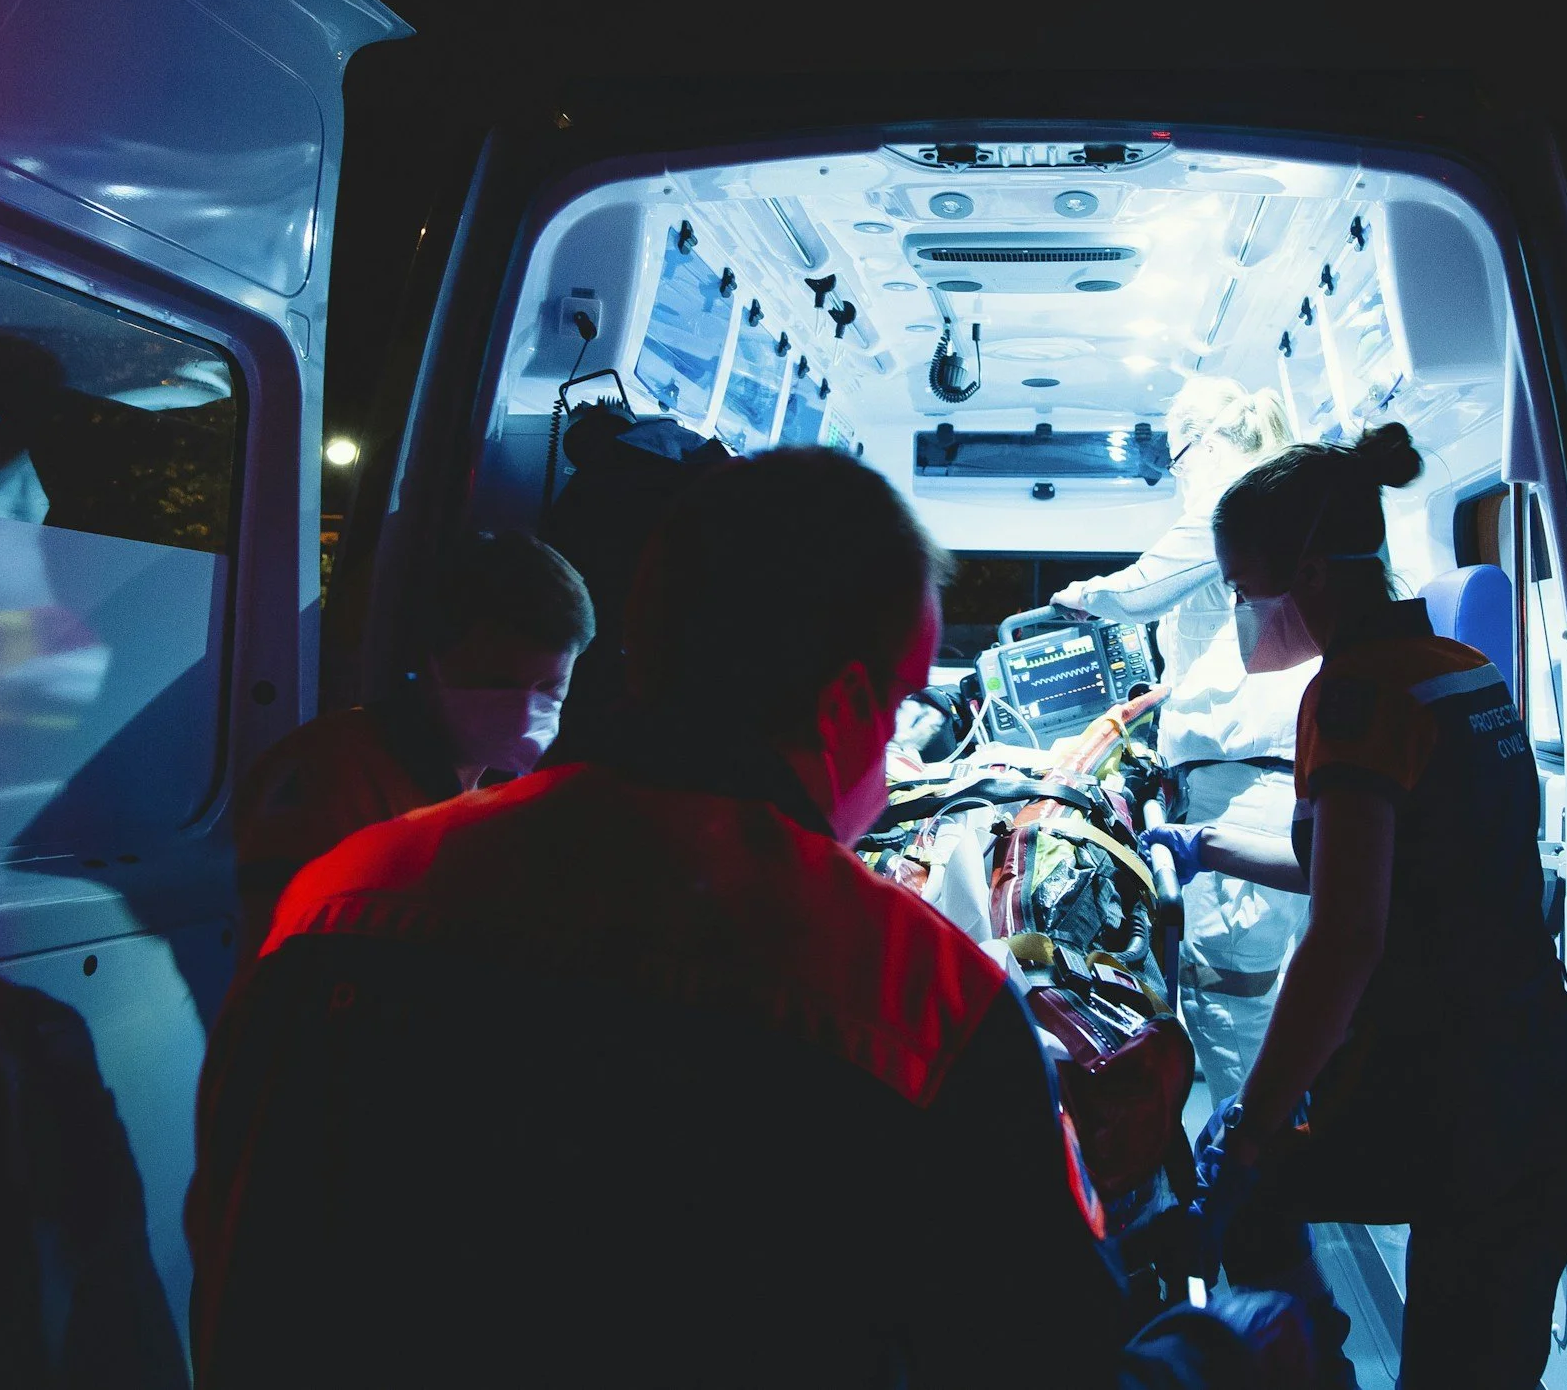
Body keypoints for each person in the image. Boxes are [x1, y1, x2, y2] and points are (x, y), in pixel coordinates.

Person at [187, 449, 1311, 1389]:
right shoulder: (921, 995)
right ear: (844, 710)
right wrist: (1213, 1347)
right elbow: (1041, 1359)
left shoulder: (340, 891)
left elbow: (235, 1262)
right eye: (907, 698)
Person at [1182, 426, 1567, 1386]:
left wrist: (1249, 1127)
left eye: (1244, 591)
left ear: (1310, 571)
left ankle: (1306, 1363)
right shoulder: (1461, 671)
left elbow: (1347, 934)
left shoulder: (1353, 697)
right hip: (1537, 1077)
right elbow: (1386, 868)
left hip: (1459, 1103)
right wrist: (1203, 848)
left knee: (1246, 1179)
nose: (1244, 613)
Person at [1050, 377, 1311, 1106]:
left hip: (1244, 788)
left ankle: (1251, 1176)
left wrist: (1075, 596)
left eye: (1177, 456)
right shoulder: (1275, 502)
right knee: (1267, 1002)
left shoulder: (1232, 502)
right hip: (1267, 778)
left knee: (1229, 1005)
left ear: (1202, 443)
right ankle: (1275, 1163)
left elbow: (1138, 590)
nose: (1177, 473)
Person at [229, 530, 593, 963]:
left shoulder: (504, 792)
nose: (523, 713)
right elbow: (293, 970)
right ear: (435, 660)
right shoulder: (331, 776)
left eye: (550, 687)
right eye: (499, 684)